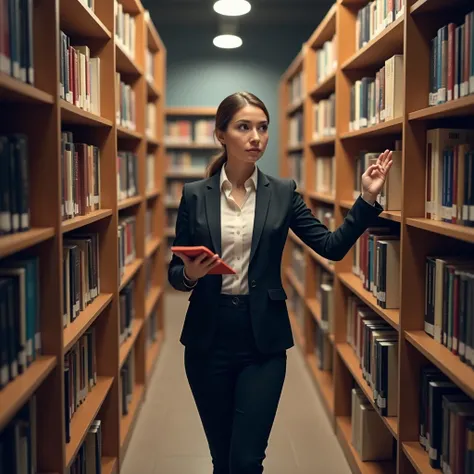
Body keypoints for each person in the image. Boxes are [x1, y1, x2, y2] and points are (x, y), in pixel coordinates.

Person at [168, 91, 392, 474]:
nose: (256, 137)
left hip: (263, 341)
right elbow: (176, 274)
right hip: (208, 339)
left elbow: (330, 246)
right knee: (222, 460)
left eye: (263, 128)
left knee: (246, 460)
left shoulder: (283, 192)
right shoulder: (194, 195)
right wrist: (191, 273)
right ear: (221, 134)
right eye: (244, 127)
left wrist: (366, 200)